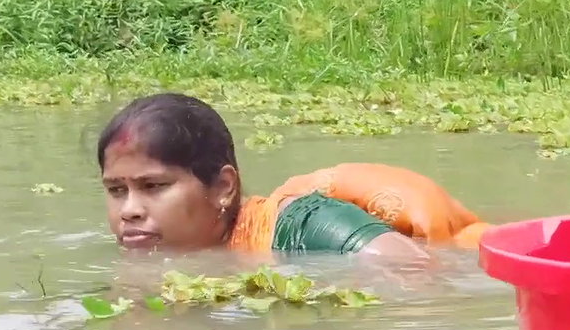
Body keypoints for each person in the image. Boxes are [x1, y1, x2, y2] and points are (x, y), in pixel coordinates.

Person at [96, 93, 490, 259]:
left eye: (153, 187)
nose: (129, 210)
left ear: (223, 187)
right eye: (116, 190)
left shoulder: (306, 224)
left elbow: (415, 271)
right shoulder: (157, 256)